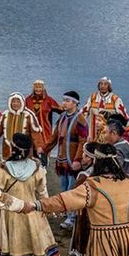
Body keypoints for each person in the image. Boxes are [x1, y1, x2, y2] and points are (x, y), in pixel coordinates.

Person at [46, 91, 89, 230]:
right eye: (63, 100)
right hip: (62, 159)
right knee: (64, 187)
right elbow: (55, 136)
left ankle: (72, 217)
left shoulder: (80, 118)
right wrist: (45, 149)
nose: (64, 103)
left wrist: (77, 159)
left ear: (75, 103)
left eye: (67, 101)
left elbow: (83, 140)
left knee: (72, 188)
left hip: (72, 159)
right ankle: (66, 210)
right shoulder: (63, 116)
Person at [0, 93, 49, 162]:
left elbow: (36, 133)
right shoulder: (5, 115)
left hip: (24, 152)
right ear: (10, 103)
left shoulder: (29, 115)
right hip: (7, 151)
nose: (15, 104)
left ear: (22, 103)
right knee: (7, 170)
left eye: (18, 101)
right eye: (13, 101)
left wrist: (39, 147)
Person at [22, 80, 61, 166]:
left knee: (44, 149)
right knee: (32, 148)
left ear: (43, 88)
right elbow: (21, 113)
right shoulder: (27, 100)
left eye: (40, 87)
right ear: (33, 88)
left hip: (45, 130)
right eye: (36, 87)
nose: (38, 89)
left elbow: (61, 111)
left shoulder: (49, 100)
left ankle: (44, 167)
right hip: (31, 130)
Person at [83, 77, 127, 142]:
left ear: (109, 86)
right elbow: (84, 112)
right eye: (101, 84)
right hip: (93, 130)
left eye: (105, 84)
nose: (103, 86)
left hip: (108, 131)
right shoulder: (93, 97)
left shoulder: (115, 99)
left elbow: (123, 116)